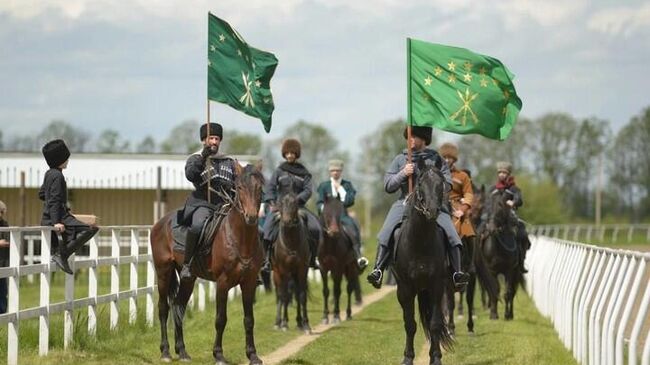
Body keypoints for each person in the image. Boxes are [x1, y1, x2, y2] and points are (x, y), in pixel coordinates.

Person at [366, 126, 470, 289]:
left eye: (414, 137)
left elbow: (448, 183)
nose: (410, 140)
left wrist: (437, 186)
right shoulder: (401, 159)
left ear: (423, 139)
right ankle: (378, 270)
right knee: (386, 231)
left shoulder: (436, 158)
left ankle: (457, 273)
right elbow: (387, 185)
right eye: (408, 137)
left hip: (434, 204)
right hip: (405, 201)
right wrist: (402, 174)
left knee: (452, 235)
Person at [179, 122, 237, 279]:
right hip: (205, 203)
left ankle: (253, 267)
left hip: (227, 205)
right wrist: (203, 156)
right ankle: (187, 264)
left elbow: (240, 183)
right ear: (204, 140)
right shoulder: (196, 158)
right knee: (197, 226)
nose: (214, 142)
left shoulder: (229, 161)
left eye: (217, 138)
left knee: (250, 227)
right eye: (211, 138)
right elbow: (191, 175)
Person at [261, 138, 321, 272]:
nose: (289, 155)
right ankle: (266, 260)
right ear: (284, 154)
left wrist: (297, 201)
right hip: (281, 208)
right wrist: (271, 202)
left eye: (292, 153)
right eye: (287, 153)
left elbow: (308, 190)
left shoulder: (304, 172)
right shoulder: (279, 171)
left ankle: (312, 259)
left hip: (298, 207)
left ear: (296, 154)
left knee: (315, 227)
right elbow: (270, 188)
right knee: (266, 229)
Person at [39, 139, 99, 275]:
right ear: (60, 159)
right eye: (66, 158)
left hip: (51, 216)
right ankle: (62, 255)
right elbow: (53, 200)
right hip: (57, 218)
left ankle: (61, 254)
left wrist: (59, 205)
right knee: (90, 230)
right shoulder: (58, 176)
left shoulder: (49, 174)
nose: (68, 160)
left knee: (85, 229)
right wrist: (56, 221)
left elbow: (42, 194)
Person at [316, 159, 368, 271]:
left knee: (352, 229)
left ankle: (358, 256)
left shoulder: (347, 185)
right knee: (315, 231)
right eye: (333, 170)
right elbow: (319, 202)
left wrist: (340, 188)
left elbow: (350, 201)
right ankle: (315, 257)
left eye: (338, 170)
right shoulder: (324, 186)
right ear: (330, 172)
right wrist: (325, 211)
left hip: (343, 216)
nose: (335, 172)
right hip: (328, 218)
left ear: (341, 171)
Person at [486, 161, 531, 273]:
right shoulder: (492, 189)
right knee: (477, 233)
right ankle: (477, 262)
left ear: (508, 174)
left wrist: (514, 202)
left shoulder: (513, 189)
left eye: (504, 172)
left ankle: (520, 262)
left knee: (522, 235)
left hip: (509, 218)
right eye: (500, 172)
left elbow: (519, 200)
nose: (501, 174)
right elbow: (487, 203)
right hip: (492, 217)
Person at [440, 143, 476, 273]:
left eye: (450, 158)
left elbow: (469, 194)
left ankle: (470, 264)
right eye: (445, 157)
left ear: (454, 159)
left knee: (469, 232)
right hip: (439, 206)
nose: (447, 160)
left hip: (457, 207)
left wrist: (463, 209)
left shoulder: (462, 176)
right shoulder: (436, 173)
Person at [0, 201, 9, 314]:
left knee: (2, 292)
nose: (1, 215)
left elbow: (8, 240)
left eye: (2, 212)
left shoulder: (5, 224)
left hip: (2, 263)